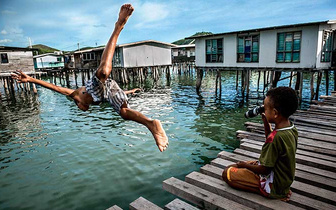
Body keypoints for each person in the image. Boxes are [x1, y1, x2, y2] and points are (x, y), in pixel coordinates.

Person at [11, 4, 169, 152]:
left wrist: (31, 80)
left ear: (78, 103)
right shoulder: (94, 103)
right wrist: (130, 91)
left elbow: (54, 87)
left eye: (80, 108)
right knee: (124, 113)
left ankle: (119, 25)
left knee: (103, 72)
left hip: (99, 83)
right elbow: (113, 93)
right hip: (109, 91)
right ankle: (151, 124)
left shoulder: (76, 94)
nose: (83, 110)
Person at [222, 87, 299, 201]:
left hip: (272, 181)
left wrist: (242, 165)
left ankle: (264, 190)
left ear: (275, 113)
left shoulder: (275, 138)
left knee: (227, 173)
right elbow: (271, 140)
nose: (263, 110)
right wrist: (265, 121)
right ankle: (279, 190)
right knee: (240, 165)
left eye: (265, 108)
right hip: (283, 178)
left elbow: (265, 170)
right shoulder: (291, 129)